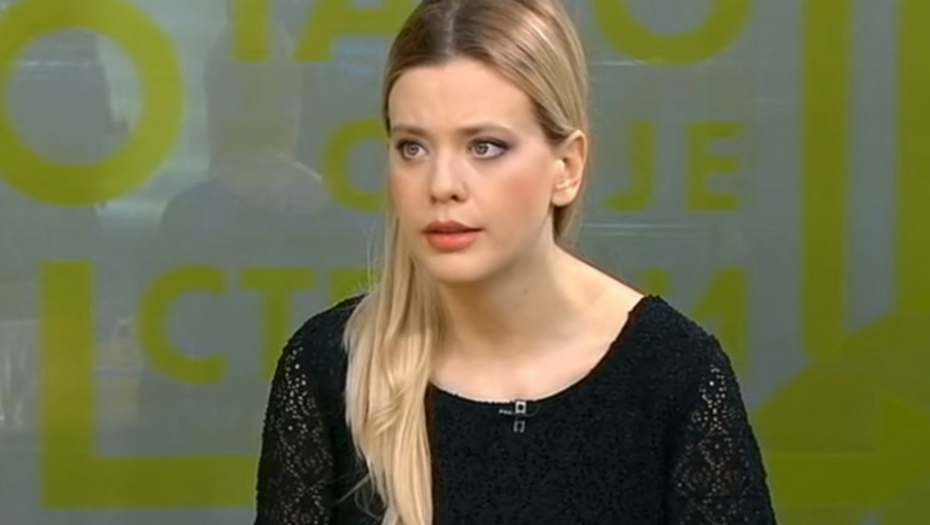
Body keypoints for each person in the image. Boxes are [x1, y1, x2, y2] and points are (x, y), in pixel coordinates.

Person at [253, 0, 777, 524]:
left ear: (566, 167)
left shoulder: (674, 375)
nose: (442, 185)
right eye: (413, 148)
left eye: (484, 146)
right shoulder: (330, 368)